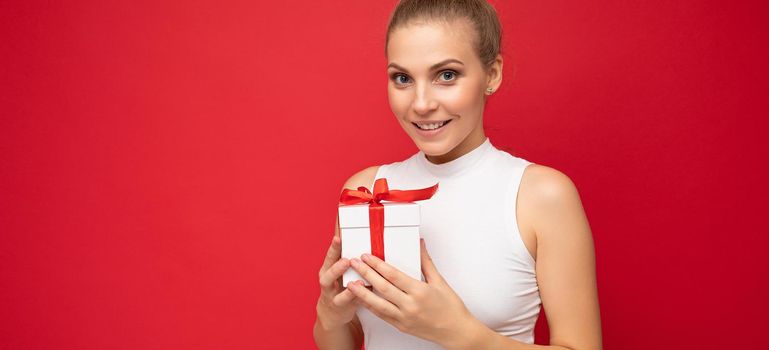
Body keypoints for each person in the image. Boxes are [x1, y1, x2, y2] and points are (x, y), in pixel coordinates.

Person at [314, 1, 602, 349]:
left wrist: (461, 334)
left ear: (492, 74)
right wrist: (330, 314)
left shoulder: (540, 195)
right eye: (402, 78)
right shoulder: (365, 191)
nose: (421, 104)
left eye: (446, 75)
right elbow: (343, 341)